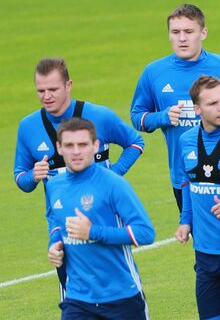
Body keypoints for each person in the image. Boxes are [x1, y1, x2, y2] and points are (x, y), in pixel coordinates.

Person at [14, 57, 145, 298]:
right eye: (40, 91)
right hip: (62, 220)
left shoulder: (99, 115)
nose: (46, 96)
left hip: (105, 216)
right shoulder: (28, 126)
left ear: (68, 85)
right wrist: (32, 176)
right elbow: (19, 176)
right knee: (71, 285)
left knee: (116, 274)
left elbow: (135, 142)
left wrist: (112, 174)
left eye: (52, 89)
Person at [130, 3, 220, 213]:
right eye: (176, 32)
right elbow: (138, 117)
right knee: (199, 239)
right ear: (169, 35)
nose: (182, 38)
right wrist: (163, 117)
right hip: (185, 176)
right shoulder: (154, 72)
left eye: (189, 32)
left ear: (203, 33)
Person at [46, 117, 155, 319]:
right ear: (59, 148)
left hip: (121, 298)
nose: (76, 151)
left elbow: (145, 233)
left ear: (96, 146)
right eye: (69, 145)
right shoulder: (54, 186)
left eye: (83, 144)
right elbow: (54, 221)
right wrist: (55, 245)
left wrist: (93, 232)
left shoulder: (113, 183)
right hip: (78, 299)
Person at [173, 76, 220, 320]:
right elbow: (187, 183)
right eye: (213, 103)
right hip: (205, 254)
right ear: (197, 109)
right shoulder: (185, 141)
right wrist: (186, 220)